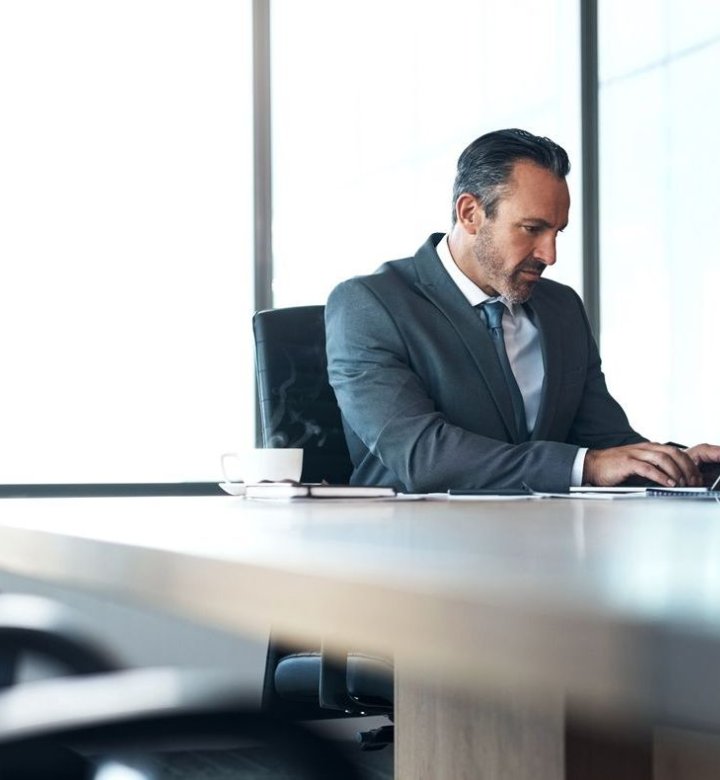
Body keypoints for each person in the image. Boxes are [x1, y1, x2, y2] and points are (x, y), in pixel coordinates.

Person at [324, 128, 720, 493]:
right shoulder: (368, 306)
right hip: (414, 554)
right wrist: (588, 466)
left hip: (549, 547)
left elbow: (604, 443)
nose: (549, 255)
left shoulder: (560, 308)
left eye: (557, 232)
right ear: (470, 213)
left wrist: (675, 465)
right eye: (532, 229)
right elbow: (423, 456)